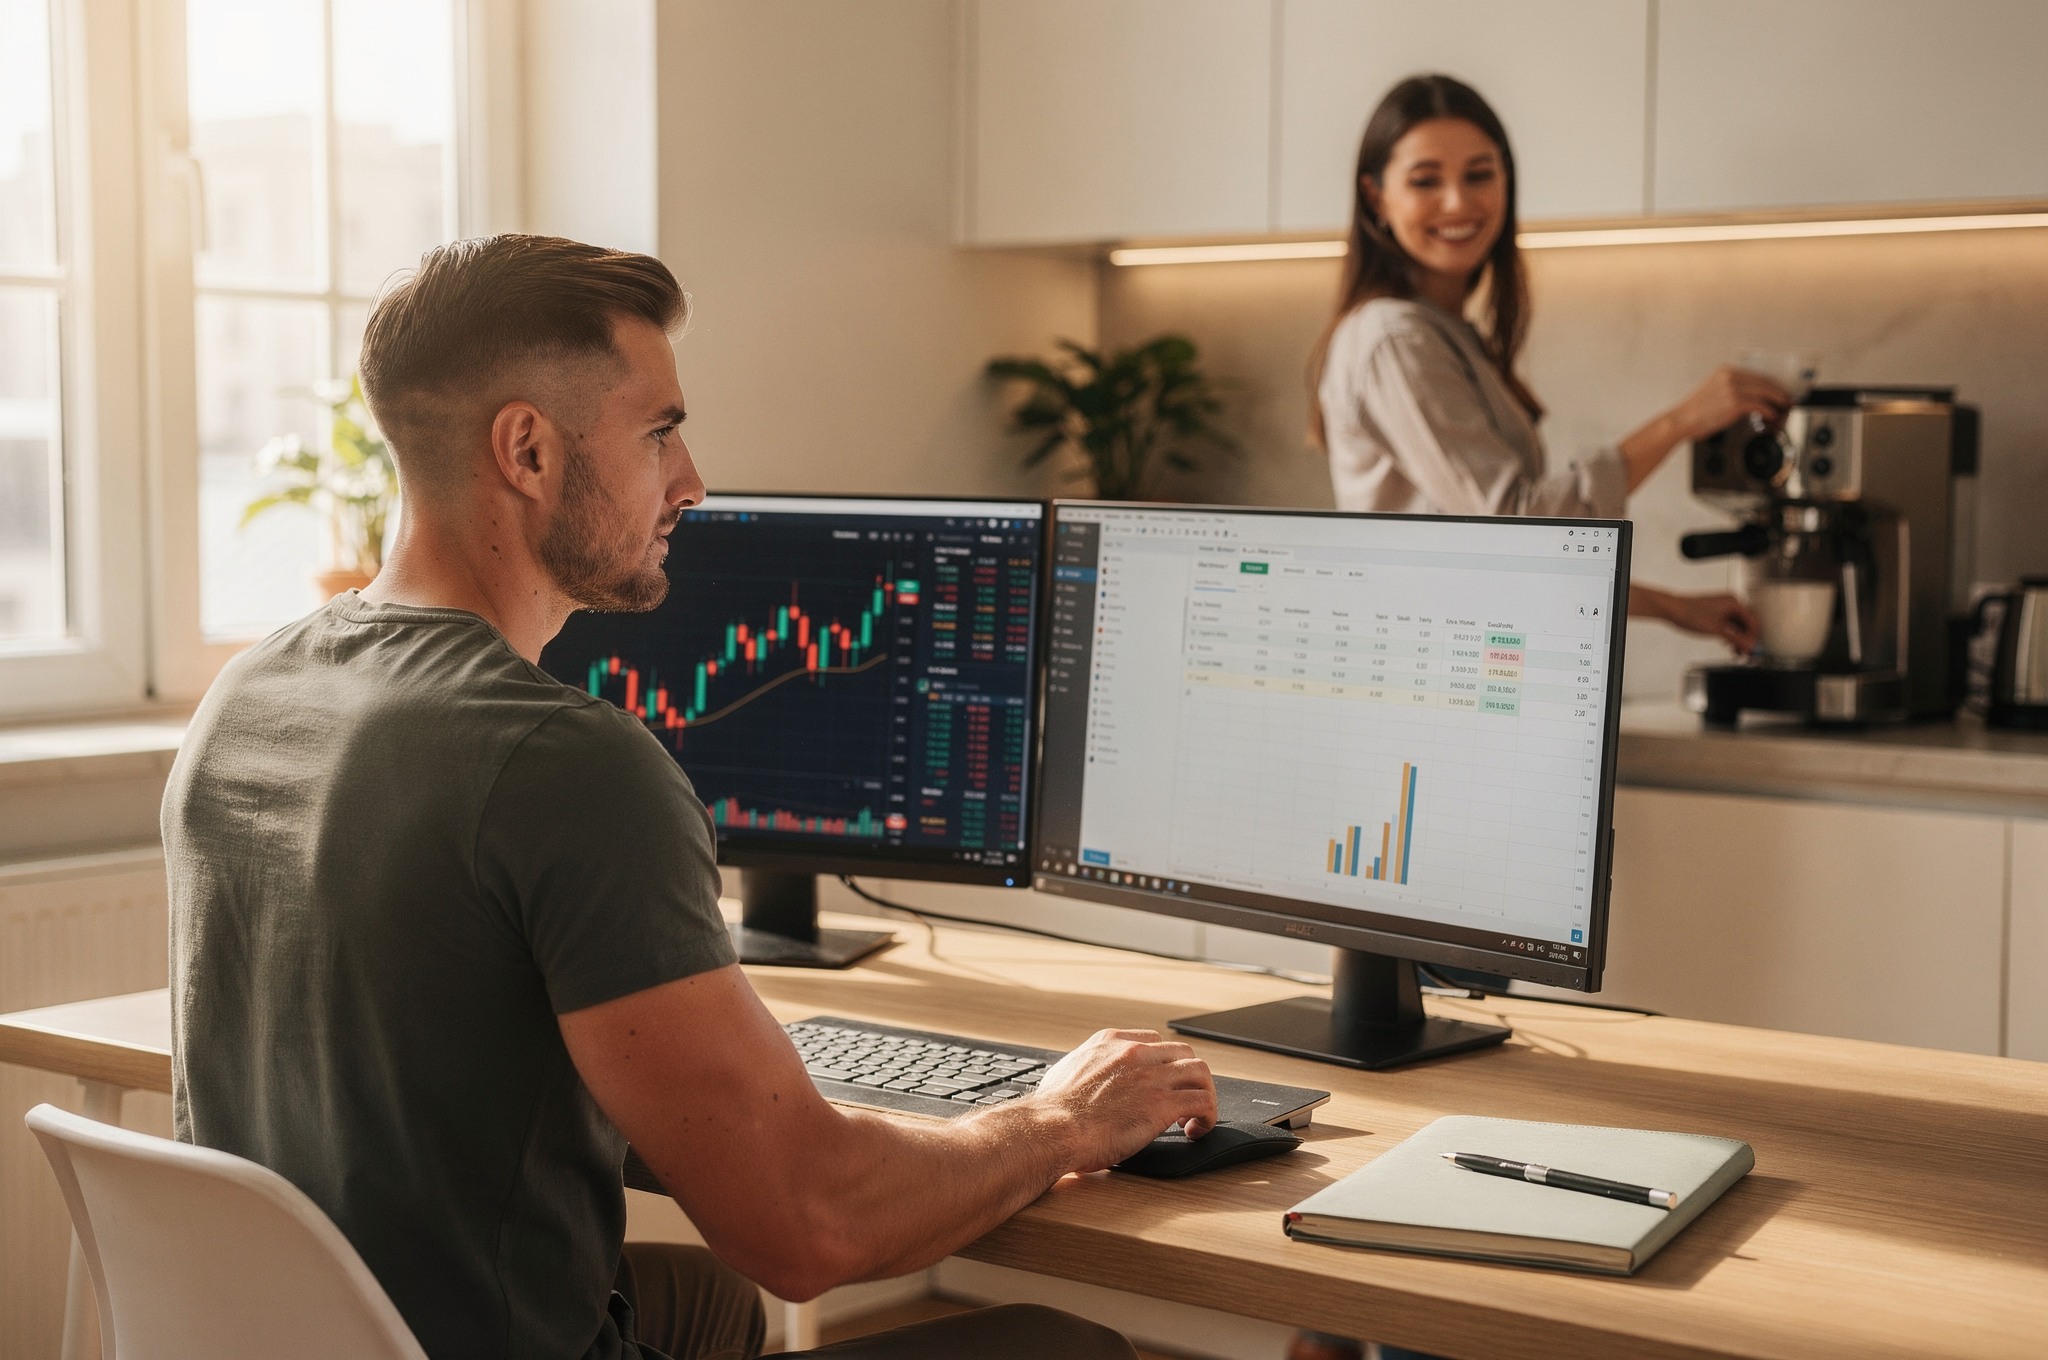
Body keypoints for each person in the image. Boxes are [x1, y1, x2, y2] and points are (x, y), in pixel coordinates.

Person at [164, 235, 1218, 1360]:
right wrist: (1058, 1118)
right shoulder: (566, 763)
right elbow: (807, 1224)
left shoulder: (246, 692)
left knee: (707, 1304)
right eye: (658, 431)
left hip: (321, 1334)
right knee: (1057, 1344)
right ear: (525, 448)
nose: (690, 480)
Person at [1309, 73, 1793, 654]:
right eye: (1425, 180)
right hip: (1432, 680)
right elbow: (1519, 527)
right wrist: (1682, 422)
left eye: (1479, 175)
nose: (1458, 202)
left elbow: (1499, 564)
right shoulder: (1395, 340)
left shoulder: (1446, 335)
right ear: (1376, 197)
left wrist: (1671, 606)